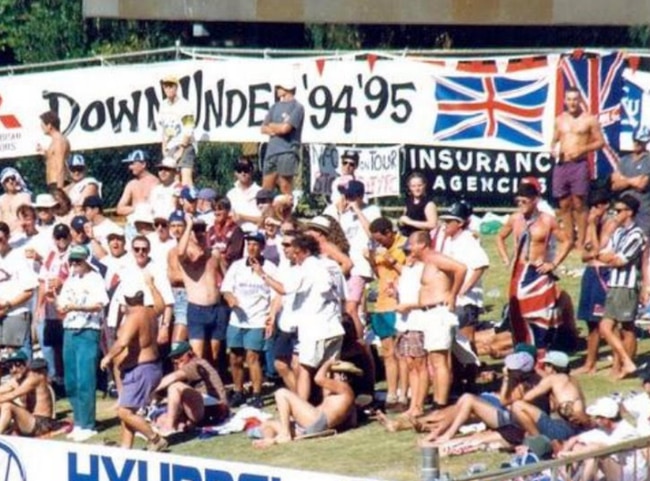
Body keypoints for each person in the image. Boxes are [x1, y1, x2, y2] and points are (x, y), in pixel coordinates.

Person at [257, 234, 345, 401]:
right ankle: (333, 409)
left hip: (316, 328)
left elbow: (283, 289)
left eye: (296, 253)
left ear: (305, 251)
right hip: (334, 326)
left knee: (304, 370)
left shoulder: (307, 268)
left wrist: (262, 274)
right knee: (330, 372)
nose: (294, 257)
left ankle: (302, 411)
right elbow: (342, 295)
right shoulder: (332, 265)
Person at [496, 182, 572, 355]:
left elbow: (567, 241)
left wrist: (553, 264)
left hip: (537, 272)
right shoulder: (515, 218)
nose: (521, 205)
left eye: (525, 201)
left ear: (535, 200)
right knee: (517, 316)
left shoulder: (547, 220)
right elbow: (500, 237)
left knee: (539, 316)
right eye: (519, 202)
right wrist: (506, 258)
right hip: (519, 271)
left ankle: (541, 355)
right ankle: (523, 353)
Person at [100, 275, 167, 451]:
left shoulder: (134, 317)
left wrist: (107, 357)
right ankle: (126, 447)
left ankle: (155, 439)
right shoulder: (151, 312)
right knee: (128, 409)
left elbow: (122, 343)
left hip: (141, 369)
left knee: (124, 412)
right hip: (149, 367)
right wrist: (152, 285)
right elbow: (161, 304)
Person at [408, 230, 466, 409]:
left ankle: (440, 402)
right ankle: (438, 400)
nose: (409, 247)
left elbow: (461, 268)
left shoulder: (435, 258)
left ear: (422, 244)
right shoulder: (425, 262)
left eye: (412, 244)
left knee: (439, 360)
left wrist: (453, 294)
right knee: (434, 359)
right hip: (428, 314)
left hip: (438, 312)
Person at [57, 244, 109, 442]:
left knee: (85, 378)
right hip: (69, 330)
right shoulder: (71, 279)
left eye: (78, 260)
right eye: (73, 260)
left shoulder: (95, 278)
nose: (75, 264)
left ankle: (88, 423)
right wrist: (59, 303)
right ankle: (79, 420)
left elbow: (99, 304)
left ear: (87, 260)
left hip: (88, 330)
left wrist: (76, 306)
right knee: (71, 379)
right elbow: (62, 304)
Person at [222, 231, 278, 408]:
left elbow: (276, 295)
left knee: (252, 357)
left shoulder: (270, 268)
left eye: (255, 244)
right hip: (237, 320)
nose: (251, 247)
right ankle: (238, 391)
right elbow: (226, 288)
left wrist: (271, 317)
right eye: (249, 244)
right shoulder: (237, 266)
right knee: (235, 357)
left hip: (257, 319)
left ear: (262, 247)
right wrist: (230, 298)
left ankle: (256, 393)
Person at [253, 358, 358, 447]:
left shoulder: (345, 389)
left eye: (335, 373)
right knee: (267, 424)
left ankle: (285, 434)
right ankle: (269, 440)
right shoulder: (342, 395)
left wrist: (327, 363)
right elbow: (352, 422)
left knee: (281, 393)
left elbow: (318, 378)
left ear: (343, 376)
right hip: (313, 425)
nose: (332, 376)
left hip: (317, 421)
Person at [597, 195, 646, 379]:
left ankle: (625, 363)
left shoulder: (637, 234)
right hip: (614, 284)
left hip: (627, 286)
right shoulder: (618, 233)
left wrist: (608, 257)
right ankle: (626, 362)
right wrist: (607, 257)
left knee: (625, 328)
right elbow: (602, 253)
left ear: (629, 212)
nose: (614, 214)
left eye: (618, 211)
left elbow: (619, 260)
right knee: (608, 326)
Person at [552, 86, 606, 249]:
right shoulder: (559, 119)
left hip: (579, 165)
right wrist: (554, 150)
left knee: (579, 203)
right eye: (569, 99)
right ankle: (570, 239)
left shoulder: (589, 119)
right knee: (563, 203)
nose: (572, 103)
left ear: (580, 101)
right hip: (562, 164)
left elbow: (600, 142)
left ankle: (581, 241)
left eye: (575, 99)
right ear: (565, 101)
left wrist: (582, 149)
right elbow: (553, 141)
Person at [573, 190, 617, 375]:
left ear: (604, 206)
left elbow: (597, 249)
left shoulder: (611, 223)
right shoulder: (595, 223)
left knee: (604, 322)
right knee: (590, 321)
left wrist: (591, 225)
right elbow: (585, 255)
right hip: (591, 272)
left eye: (595, 207)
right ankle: (589, 363)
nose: (592, 211)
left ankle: (618, 361)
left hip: (604, 273)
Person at [366, 217, 407, 410]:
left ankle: (404, 393)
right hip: (381, 305)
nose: (378, 243)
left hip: (397, 304)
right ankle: (391, 394)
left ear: (389, 233)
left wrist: (390, 259)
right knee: (388, 352)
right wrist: (371, 260)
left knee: (401, 352)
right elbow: (378, 274)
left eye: (380, 239)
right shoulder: (379, 249)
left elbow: (408, 273)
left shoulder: (403, 245)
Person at [174, 215, 226, 365]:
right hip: (197, 309)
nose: (198, 233)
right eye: (195, 230)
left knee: (215, 353)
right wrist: (189, 225)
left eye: (201, 229)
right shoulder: (188, 257)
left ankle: (214, 385)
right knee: (197, 354)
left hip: (216, 308)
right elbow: (180, 253)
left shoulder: (214, 254)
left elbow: (227, 278)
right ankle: (198, 386)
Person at [559, 397, 645, 481]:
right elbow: (575, 438)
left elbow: (601, 447)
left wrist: (572, 455)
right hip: (618, 470)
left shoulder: (627, 432)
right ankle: (565, 476)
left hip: (633, 475)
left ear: (606, 418)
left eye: (598, 417)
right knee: (579, 447)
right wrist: (562, 455)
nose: (596, 420)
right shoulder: (603, 430)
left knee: (596, 453)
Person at [153, 341, 229, 435]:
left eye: (179, 356)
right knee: (160, 418)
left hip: (216, 408)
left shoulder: (197, 363)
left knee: (175, 387)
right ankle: (183, 425)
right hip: (201, 408)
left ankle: (169, 427)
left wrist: (149, 391)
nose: (176, 360)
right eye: (173, 357)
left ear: (190, 353)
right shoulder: (184, 366)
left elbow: (173, 377)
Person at [510, 350, 589, 442]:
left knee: (517, 405)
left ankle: (540, 442)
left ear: (552, 367)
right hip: (579, 428)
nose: (544, 369)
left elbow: (527, 398)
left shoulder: (552, 379)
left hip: (563, 429)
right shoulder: (573, 380)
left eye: (546, 365)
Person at [36, 223, 71, 388]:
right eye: (59, 237)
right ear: (54, 238)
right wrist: (39, 306)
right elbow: (42, 282)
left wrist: (62, 282)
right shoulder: (50, 256)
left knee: (68, 344)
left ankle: (70, 378)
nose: (62, 240)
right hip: (51, 308)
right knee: (56, 345)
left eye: (64, 236)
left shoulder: (74, 254)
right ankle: (59, 378)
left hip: (67, 306)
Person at [261, 75, 305, 195]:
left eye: (279, 87)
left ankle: (287, 213)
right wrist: (277, 128)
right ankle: (267, 213)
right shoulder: (274, 106)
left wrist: (273, 126)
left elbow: (286, 129)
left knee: (285, 187)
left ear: (287, 88)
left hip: (287, 151)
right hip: (271, 152)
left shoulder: (297, 107)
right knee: (266, 189)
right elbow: (263, 128)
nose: (277, 89)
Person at [0, 221, 38, 351]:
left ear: (7, 238)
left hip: (16, 314)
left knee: (19, 360)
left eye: (0, 239)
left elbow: (29, 291)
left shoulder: (18, 257)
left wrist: (8, 304)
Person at [0, 356, 57, 437]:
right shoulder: (17, 380)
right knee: (3, 403)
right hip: (29, 421)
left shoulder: (34, 378)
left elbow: (13, 395)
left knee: (8, 405)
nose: (14, 369)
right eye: (10, 366)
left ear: (26, 364)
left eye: (17, 364)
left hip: (41, 424)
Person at [158, 74, 196, 187]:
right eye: (166, 86)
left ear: (176, 87)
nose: (168, 89)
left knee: (186, 179)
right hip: (170, 146)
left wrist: (182, 148)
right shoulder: (163, 105)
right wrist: (164, 147)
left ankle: (191, 203)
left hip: (185, 145)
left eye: (171, 86)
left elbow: (189, 127)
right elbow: (163, 128)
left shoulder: (185, 105)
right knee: (173, 180)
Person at [116, 150, 159, 218]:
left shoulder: (156, 183)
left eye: (133, 163)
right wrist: (139, 209)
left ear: (143, 164)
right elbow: (120, 209)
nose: (130, 167)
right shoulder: (131, 184)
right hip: (133, 223)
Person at [227, 158, 263, 232]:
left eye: (246, 170)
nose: (243, 173)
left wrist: (243, 217)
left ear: (252, 171)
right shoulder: (230, 194)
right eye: (239, 170)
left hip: (257, 234)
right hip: (236, 235)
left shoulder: (260, 192)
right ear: (235, 173)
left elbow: (265, 219)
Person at [36, 110, 70, 189]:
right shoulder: (54, 141)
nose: (41, 127)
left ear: (49, 125)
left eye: (43, 125)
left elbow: (60, 165)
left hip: (59, 183)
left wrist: (60, 189)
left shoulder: (59, 141)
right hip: (54, 182)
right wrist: (44, 152)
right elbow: (53, 159)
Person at [398, 172, 438, 237]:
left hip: (421, 238)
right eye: (413, 186)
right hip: (407, 237)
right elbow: (404, 218)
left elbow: (432, 224)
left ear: (424, 185)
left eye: (419, 185)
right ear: (409, 187)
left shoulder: (429, 204)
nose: (417, 189)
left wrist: (410, 222)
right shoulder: (408, 202)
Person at [0, 167, 31, 232]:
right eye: (7, 180)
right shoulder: (1, 200)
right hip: (6, 236)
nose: (10, 181)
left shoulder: (25, 197)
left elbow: (29, 218)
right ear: (3, 184)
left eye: (12, 179)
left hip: (23, 234)